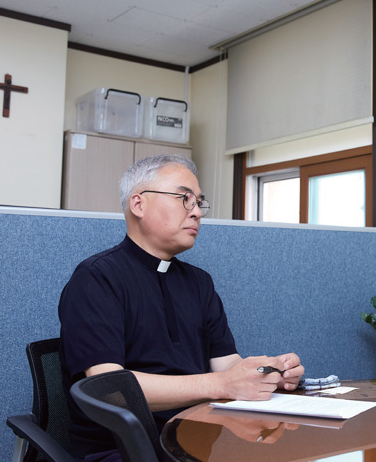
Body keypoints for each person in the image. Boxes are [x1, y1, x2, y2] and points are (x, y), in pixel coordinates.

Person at [59, 154, 305, 461]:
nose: (197, 212)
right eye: (184, 199)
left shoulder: (199, 283)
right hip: (123, 450)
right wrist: (220, 384)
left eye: (200, 202)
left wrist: (265, 375)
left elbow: (226, 364)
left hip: (197, 439)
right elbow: (111, 390)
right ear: (138, 204)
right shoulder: (97, 278)